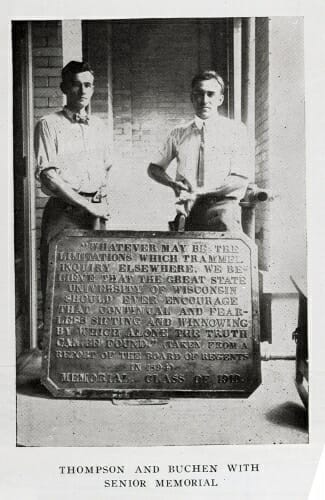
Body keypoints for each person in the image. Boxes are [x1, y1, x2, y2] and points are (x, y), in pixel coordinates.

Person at [34, 60, 111, 307]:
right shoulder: (49, 123)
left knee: (95, 282)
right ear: (64, 88)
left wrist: (99, 200)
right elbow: (49, 177)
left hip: (95, 213)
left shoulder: (99, 126)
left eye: (88, 85)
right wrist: (86, 205)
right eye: (76, 85)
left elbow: (106, 167)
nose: (83, 91)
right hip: (64, 213)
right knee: (59, 284)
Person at [147, 70, 250, 231]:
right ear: (192, 98)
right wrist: (173, 184)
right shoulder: (178, 133)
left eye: (211, 94)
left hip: (223, 212)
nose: (204, 100)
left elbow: (239, 179)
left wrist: (200, 193)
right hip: (189, 212)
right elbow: (154, 168)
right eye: (199, 94)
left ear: (220, 99)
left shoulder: (236, 130)